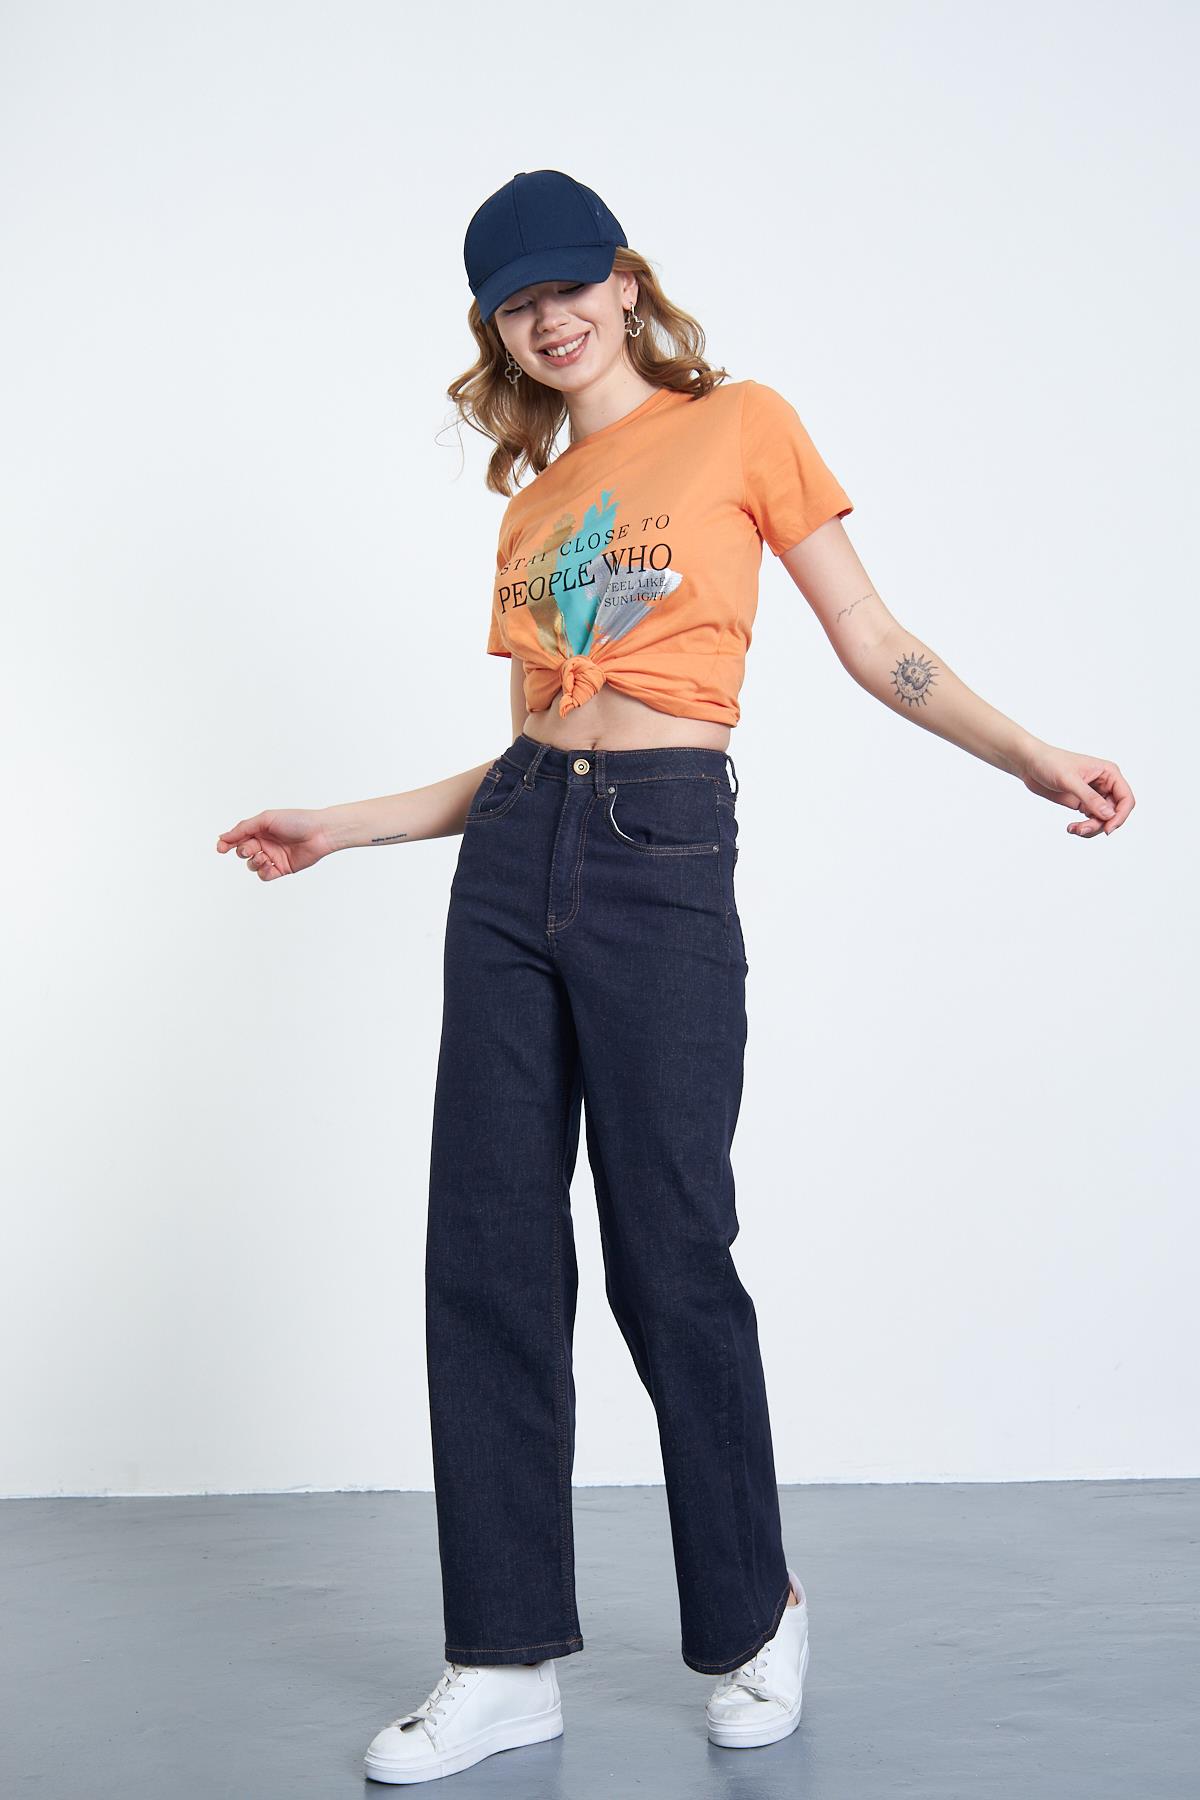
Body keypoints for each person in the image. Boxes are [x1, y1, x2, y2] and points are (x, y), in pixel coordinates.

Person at [215, 169, 1136, 1785]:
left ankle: (754, 1615)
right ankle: (503, 1659)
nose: (551, 319)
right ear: (496, 330)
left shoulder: (742, 425)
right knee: (487, 1253)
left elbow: (871, 636)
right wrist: (345, 826)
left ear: (626, 285)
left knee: (670, 1249)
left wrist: (1027, 753)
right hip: (515, 859)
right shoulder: (531, 511)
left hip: (662, 850)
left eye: (572, 285)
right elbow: (529, 749)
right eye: (517, 303)